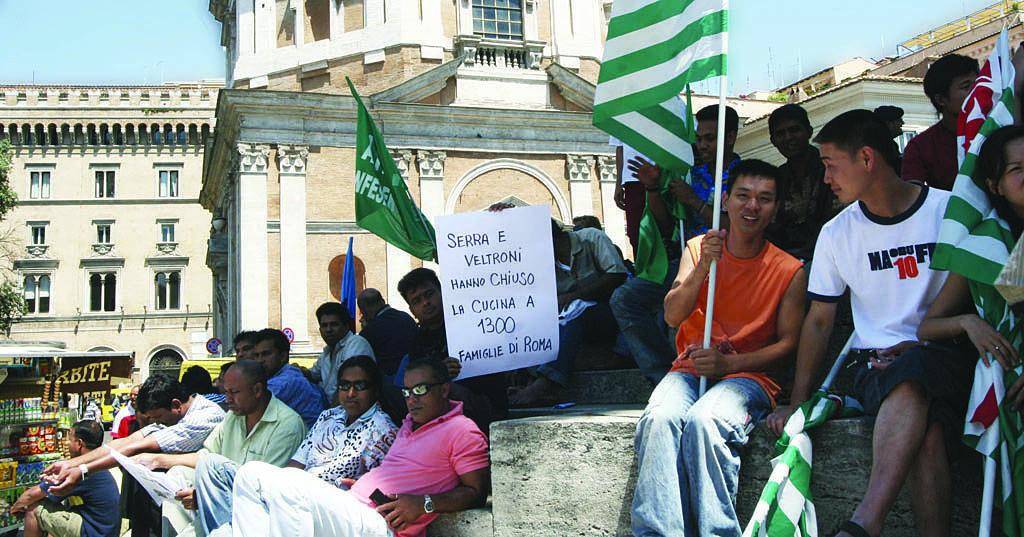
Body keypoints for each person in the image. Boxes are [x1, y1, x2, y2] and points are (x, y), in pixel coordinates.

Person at [765, 110, 955, 537]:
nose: (826, 178)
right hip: (874, 367)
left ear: (867, 159)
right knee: (928, 432)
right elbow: (819, 321)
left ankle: (864, 525)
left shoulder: (947, 211)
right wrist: (798, 399)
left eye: (832, 165)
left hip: (944, 354)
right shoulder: (837, 232)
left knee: (917, 370)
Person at [630, 160, 807, 536]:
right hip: (689, 369)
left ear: (776, 208)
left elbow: (789, 344)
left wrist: (730, 363)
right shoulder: (699, 248)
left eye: (764, 199)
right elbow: (673, 316)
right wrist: (703, 267)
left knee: (706, 421)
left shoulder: (789, 268)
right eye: (743, 196)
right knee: (659, 419)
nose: (752, 207)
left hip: (749, 376)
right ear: (725, 201)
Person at [217, 357, 490, 537]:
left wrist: (424, 504)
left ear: (444, 390)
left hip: (377, 525)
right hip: (352, 503)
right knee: (246, 486)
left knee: (276, 481)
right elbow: (399, 472)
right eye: (406, 392)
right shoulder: (410, 424)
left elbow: (476, 492)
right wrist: (363, 481)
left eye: (420, 390)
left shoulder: (462, 430)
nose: (411, 399)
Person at [610, 106, 742, 385]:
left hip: (729, 264)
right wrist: (653, 189)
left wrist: (694, 201)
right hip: (686, 262)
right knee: (625, 299)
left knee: (677, 310)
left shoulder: (744, 176)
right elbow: (666, 226)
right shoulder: (687, 172)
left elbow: (738, 228)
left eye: (710, 138)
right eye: (699, 138)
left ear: (730, 138)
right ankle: (663, 378)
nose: (702, 145)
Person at [42, 375, 226, 537]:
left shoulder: (204, 417)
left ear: (176, 405)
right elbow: (124, 442)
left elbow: (136, 447)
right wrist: (72, 464)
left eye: (159, 417)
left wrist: (83, 470)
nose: (158, 423)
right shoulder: (173, 416)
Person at [142, 360, 307, 537]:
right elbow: (206, 454)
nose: (227, 399)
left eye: (234, 392)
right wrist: (160, 461)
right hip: (223, 497)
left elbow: (264, 489)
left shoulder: (287, 425)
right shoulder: (233, 416)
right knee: (179, 473)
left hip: (257, 512)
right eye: (225, 391)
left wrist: (208, 495)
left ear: (257, 390)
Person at [509, 221, 628, 406]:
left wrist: (574, 297)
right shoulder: (544, 265)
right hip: (571, 323)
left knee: (576, 313)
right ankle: (531, 377)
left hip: (607, 315)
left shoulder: (592, 238)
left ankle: (547, 382)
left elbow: (617, 275)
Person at [395, 268, 509, 431]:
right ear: (412, 310)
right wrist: (438, 373)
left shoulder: (475, 324)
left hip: (484, 410)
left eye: (429, 294)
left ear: (443, 292)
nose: (425, 303)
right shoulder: (416, 343)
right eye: (417, 300)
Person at [11, 421, 120, 537]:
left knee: (34, 509)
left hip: (94, 531)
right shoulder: (96, 463)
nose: (67, 443)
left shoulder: (79, 469)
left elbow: (31, 495)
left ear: (79, 444)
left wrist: (15, 507)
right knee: (53, 513)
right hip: (106, 528)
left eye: (70, 439)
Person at [767, 103, 839, 260]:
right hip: (785, 262)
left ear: (809, 131)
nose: (788, 138)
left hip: (831, 254)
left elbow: (836, 221)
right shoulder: (776, 178)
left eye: (794, 130)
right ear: (773, 141)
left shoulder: (831, 168)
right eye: (780, 133)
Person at [902, 54, 979, 190]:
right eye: (966, 87)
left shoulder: (998, 125)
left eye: (979, 84)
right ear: (941, 99)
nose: (977, 91)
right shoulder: (921, 147)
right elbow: (912, 196)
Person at [252, 328, 328, 428]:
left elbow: (248, 402)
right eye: (256, 355)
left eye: (266, 354)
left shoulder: (287, 380)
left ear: (283, 356)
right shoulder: (282, 375)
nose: (260, 360)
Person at [311, 302, 376, 401]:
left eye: (334, 324)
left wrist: (329, 415)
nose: (328, 330)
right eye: (324, 325)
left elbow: (349, 388)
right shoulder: (327, 351)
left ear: (346, 326)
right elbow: (313, 374)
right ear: (320, 330)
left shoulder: (356, 344)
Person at [357, 288, 419, 378]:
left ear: (364, 310)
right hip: (416, 373)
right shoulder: (405, 317)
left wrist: (365, 330)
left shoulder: (370, 330)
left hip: (388, 381)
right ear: (383, 301)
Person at [609, 135, 650, 258]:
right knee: (634, 231)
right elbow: (620, 147)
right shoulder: (619, 114)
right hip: (631, 180)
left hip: (659, 174)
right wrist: (618, 183)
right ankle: (641, 269)